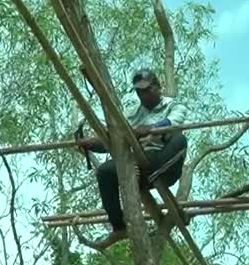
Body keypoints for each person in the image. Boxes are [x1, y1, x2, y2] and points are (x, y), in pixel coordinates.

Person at [77, 68, 188, 249]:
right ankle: (119, 226)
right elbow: (115, 140)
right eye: (139, 91)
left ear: (157, 87)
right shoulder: (131, 113)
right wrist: (92, 144)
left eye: (147, 90)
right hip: (136, 165)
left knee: (179, 139)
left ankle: (149, 173)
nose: (143, 95)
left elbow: (174, 122)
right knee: (105, 172)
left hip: (162, 162)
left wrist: (151, 128)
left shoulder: (174, 105)